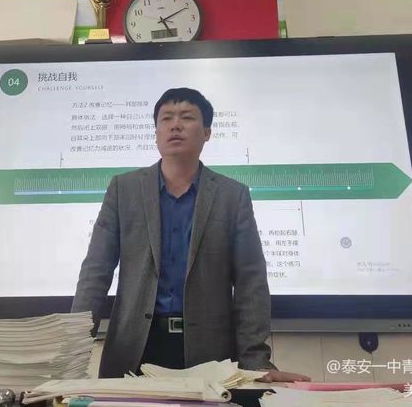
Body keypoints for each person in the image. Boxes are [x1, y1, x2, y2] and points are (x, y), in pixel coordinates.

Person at [71, 87, 308, 383]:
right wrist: (72, 350)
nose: (175, 125)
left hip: (210, 353)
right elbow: (95, 272)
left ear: (207, 132)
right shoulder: (123, 189)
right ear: (156, 133)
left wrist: (255, 361)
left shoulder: (232, 196)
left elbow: (251, 283)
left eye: (186, 117)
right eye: (166, 118)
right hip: (133, 348)